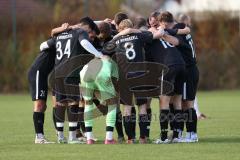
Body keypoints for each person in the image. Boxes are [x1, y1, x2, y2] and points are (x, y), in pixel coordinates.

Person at [44, 17, 104, 144]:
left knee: (60, 104)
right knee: (73, 104)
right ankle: (72, 137)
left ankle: (60, 136)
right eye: (90, 32)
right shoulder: (80, 32)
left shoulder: (61, 33)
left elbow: (43, 45)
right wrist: (99, 55)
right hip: (71, 72)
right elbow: (84, 43)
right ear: (86, 27)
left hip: (57, 72)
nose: (90, 36)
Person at [112, 19, 164, 143]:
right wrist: (161, 27)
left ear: (120, 29)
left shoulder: (116, 40)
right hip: (140, 74)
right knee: (142, 106)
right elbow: (157, 35)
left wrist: (117, 36)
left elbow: (104, 50)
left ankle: (130, 138)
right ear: (131, 27)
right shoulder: (139, 36)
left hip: (124, 77)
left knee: (127, 108)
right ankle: (143, 138)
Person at [80, 42, 119, 144]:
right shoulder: (112, 62)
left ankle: (89, 138)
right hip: (102, 73)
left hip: (85, 72)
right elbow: (114, 81)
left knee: (88, 104)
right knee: (112, 105)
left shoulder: (94, 58)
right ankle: (109, 138)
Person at [28, 38, 56, 144]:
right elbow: (43, 45)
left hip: (43, 75)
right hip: (38, 72)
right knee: (39, 105)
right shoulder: (56, 40)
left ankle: (40, 136)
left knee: (43, 106)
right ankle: (39, 137)